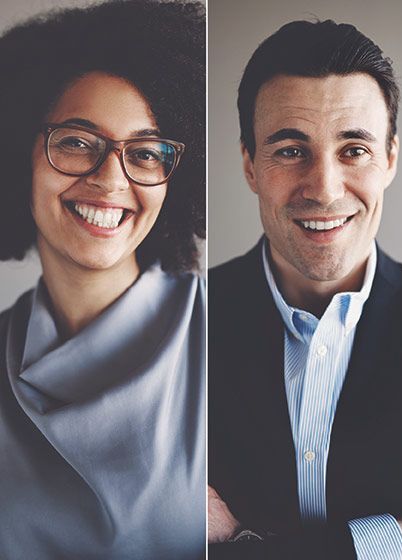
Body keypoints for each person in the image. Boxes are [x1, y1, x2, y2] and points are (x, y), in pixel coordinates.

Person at [0, 1, 206, 559]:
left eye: (145, 153)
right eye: (75, 142)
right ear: (22, 152)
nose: (110, 179)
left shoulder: (234, 328)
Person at [208, 20, 402, 560]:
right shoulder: (179, 324)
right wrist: (394, 541)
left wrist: (238, 542)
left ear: (390, 159)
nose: (324, 189)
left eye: (354, 150)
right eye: (290, 150)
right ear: (250, 164)